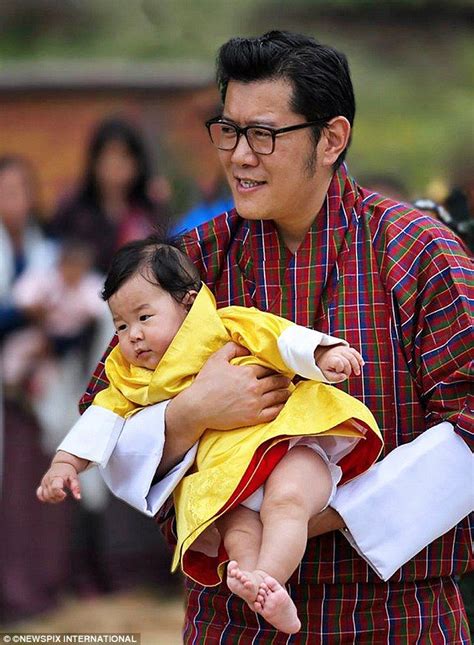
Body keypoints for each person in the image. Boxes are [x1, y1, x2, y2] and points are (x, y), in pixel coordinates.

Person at [61, 32, 472, 641]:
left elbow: (469, 429)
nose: (238, 156)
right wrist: (190, 415)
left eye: (264, 134)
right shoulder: (188, 264)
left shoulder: (418, 252)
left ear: (332, 139)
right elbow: (104, 411)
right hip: (231, 619)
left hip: (397, 613)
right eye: (227, 131)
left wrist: (300, 512)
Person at [38, 237, 382, 634]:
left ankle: (271, 578)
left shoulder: (227, 324)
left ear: (187, 301)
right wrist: (66, 462)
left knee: (286, 503)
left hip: (285, 447)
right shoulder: (127, 375)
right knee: (236, 533)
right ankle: (259, 588)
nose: (132, 335)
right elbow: (101, 417)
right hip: (224, 481)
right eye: (121, 325)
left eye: (145, 317)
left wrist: (321, 355)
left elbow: (279, 337)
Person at [47, 117, 161, 273]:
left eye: (123, 156)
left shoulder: (148, 211)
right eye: (108, 156)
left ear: (138, 163)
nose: (115, 165)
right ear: (94, 161)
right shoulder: (73, 211)